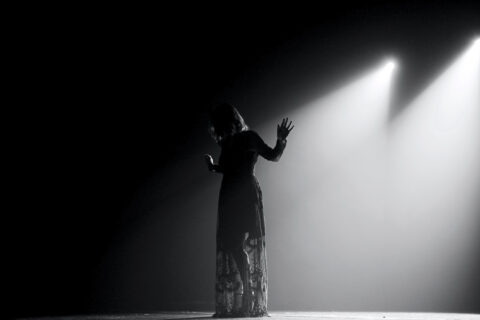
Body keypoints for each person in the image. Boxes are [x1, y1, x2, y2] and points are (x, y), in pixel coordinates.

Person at [205, 103, 293, 317]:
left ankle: (248, 298)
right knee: (233, 244)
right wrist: (213, 166)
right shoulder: (228, 142)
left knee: (238, 243)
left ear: (229, 122)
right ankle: (246, 296)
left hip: (245, 193)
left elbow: (272, 155)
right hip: (229, 194)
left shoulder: (249, 137)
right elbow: (227, 168)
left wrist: (280, 140)